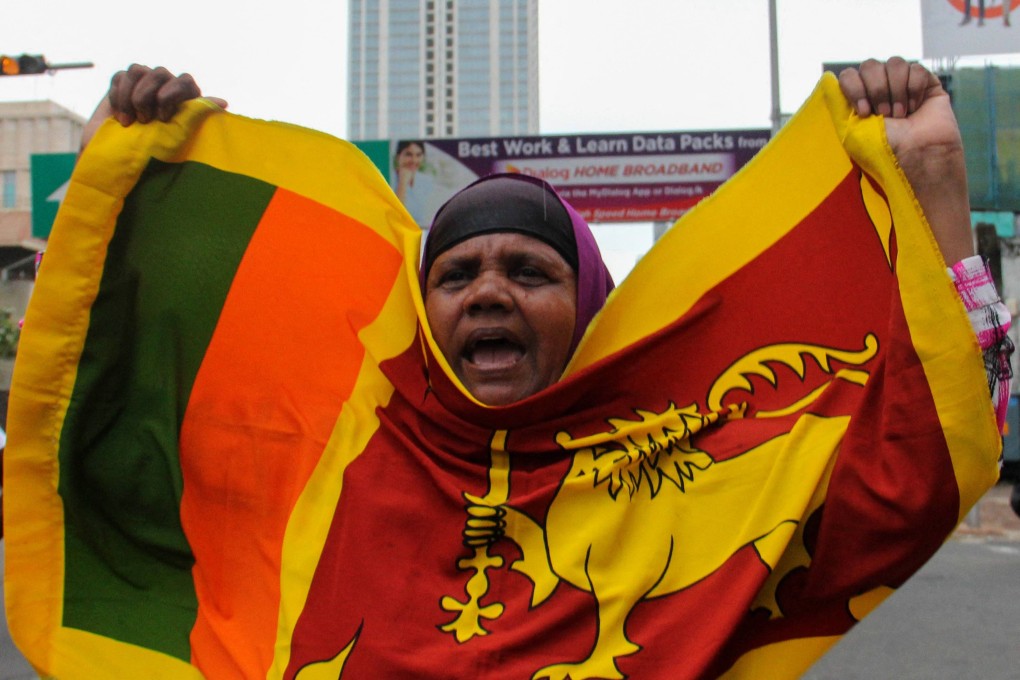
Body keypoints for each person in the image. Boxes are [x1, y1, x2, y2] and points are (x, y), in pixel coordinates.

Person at [30, 57, 1010, 677]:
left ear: (586, 305)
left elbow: (913, 474)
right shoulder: (336, 453)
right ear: (425, 312)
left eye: (528, 270)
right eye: (455, 273)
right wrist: (141, 187)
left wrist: (932, 187)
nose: (487, 290)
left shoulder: (686, 469)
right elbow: (129, 432)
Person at [392, 139, 436, 226]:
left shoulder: (427, 181)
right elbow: (397, 217)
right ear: (398, 157)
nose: (414, 160)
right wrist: (402, 183)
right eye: (408, 154)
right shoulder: (388, 179)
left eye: (418, 155)